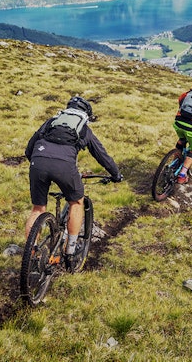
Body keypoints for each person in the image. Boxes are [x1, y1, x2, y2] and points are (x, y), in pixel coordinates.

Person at [24, 95, 122, 258]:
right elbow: (101, 155)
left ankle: (31, 255)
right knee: (77, 202)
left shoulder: (51, 121)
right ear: (86, 115)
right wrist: (116, 174)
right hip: (64, 166)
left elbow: (29, 149)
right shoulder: (84, 129)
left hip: (38, 161)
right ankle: (70, 250)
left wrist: (40, 165)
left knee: (38, 209)